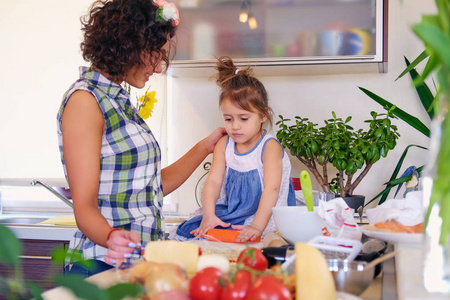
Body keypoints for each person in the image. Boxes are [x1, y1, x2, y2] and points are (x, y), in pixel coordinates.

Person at [57, 0, 225, 277]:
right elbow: (84, 206)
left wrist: (205, 147)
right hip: (103, 263)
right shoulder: (85, 101)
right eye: (155, 54)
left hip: (138, 262)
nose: (159, 67)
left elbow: (150, 187)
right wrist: (111, 236)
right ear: (128, 45)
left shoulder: (118, 101)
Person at [173, 56, 296, 243]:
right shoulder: (224, 144)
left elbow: (272, 189)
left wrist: (256, 226)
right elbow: (213, 182)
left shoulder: (269, 147)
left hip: (265, 214)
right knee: (189, 229)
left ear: (263, 115)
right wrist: (208, 215)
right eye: (229, 119)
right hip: (234, 212)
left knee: (261, 238)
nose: (235, 126)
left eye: (243, 118)